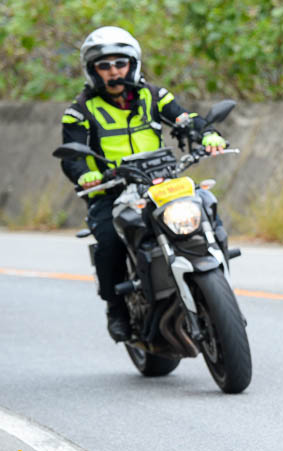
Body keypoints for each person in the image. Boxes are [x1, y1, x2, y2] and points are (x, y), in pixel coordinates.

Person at [60, 26, 227, 343]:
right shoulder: (79, 111)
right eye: (104, 66)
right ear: (93, 70)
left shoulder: (154, 95)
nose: (113, 72)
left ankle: (217, 270)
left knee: (205, 201)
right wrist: (85, 175)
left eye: (119, 64)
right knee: (108, 238)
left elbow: (183, 119)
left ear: (132, 64)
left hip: (162, 183)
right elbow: (72, 156)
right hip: (112, 191)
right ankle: (116, 308)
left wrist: (207, 135)